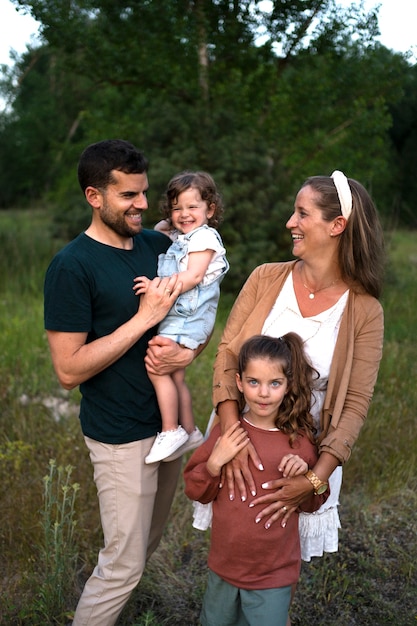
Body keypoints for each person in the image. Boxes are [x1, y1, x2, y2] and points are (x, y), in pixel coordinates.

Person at [43, 139, 201, 626]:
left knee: (144, 549)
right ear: (94, 196)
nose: (142, 205)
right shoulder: (72, 267)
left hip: (166, 428)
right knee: (122, 566)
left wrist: (189, 349)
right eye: (128, 196)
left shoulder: (158, 247)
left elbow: (200, 306)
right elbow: (68, 371)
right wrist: (143, 318)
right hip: (119, 435)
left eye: (144, 193)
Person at [211, 170, 384, 566]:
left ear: (336, 225)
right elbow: (226, 355)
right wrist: (232, 436)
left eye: (302, 214)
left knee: (280, 573)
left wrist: (313, 479)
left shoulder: (365, 310)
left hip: (302, 458)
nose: (291, 222)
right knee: (230, 557)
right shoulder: (265, 278)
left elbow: (355, 403)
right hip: (238, 439)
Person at [184, 334, 328, 626]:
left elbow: (314, 501)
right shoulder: (227, 434)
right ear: (239, 382)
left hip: (273, 573)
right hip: (224, 567)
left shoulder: (298, 441)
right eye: (254, 382)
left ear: (287, 386)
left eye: (274, 383)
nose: (264, 393)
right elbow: (194, 488)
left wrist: (306, 475)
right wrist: (214, 462)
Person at [134, 171, 229, 464]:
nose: (184, 214)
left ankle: (170, 429)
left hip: (187, 317)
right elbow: (164, 226)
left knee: (157, 367)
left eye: (192, 207)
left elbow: (193, 276)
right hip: (184, 316)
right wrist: (173, 218)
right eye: (177, 208)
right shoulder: (187, 235)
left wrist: (156, 287)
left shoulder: (204, 237)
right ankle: (190, 431)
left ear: (210, 209)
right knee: (175, 375)